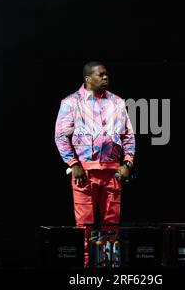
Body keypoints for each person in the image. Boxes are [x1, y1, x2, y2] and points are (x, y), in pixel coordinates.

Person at [54, 61, 135, 266]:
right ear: (88, 79)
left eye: (107, 74)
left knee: (111, 224)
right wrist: (74, 164)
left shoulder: (117, 102)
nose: (106, 77)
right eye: (101, 75)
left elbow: (128, 136)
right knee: (85, 226)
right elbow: (61, 137)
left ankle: (110, 265)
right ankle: (86, 266)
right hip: (84, 174)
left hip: (112, 172)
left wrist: (127, 163)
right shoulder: (71, 102)